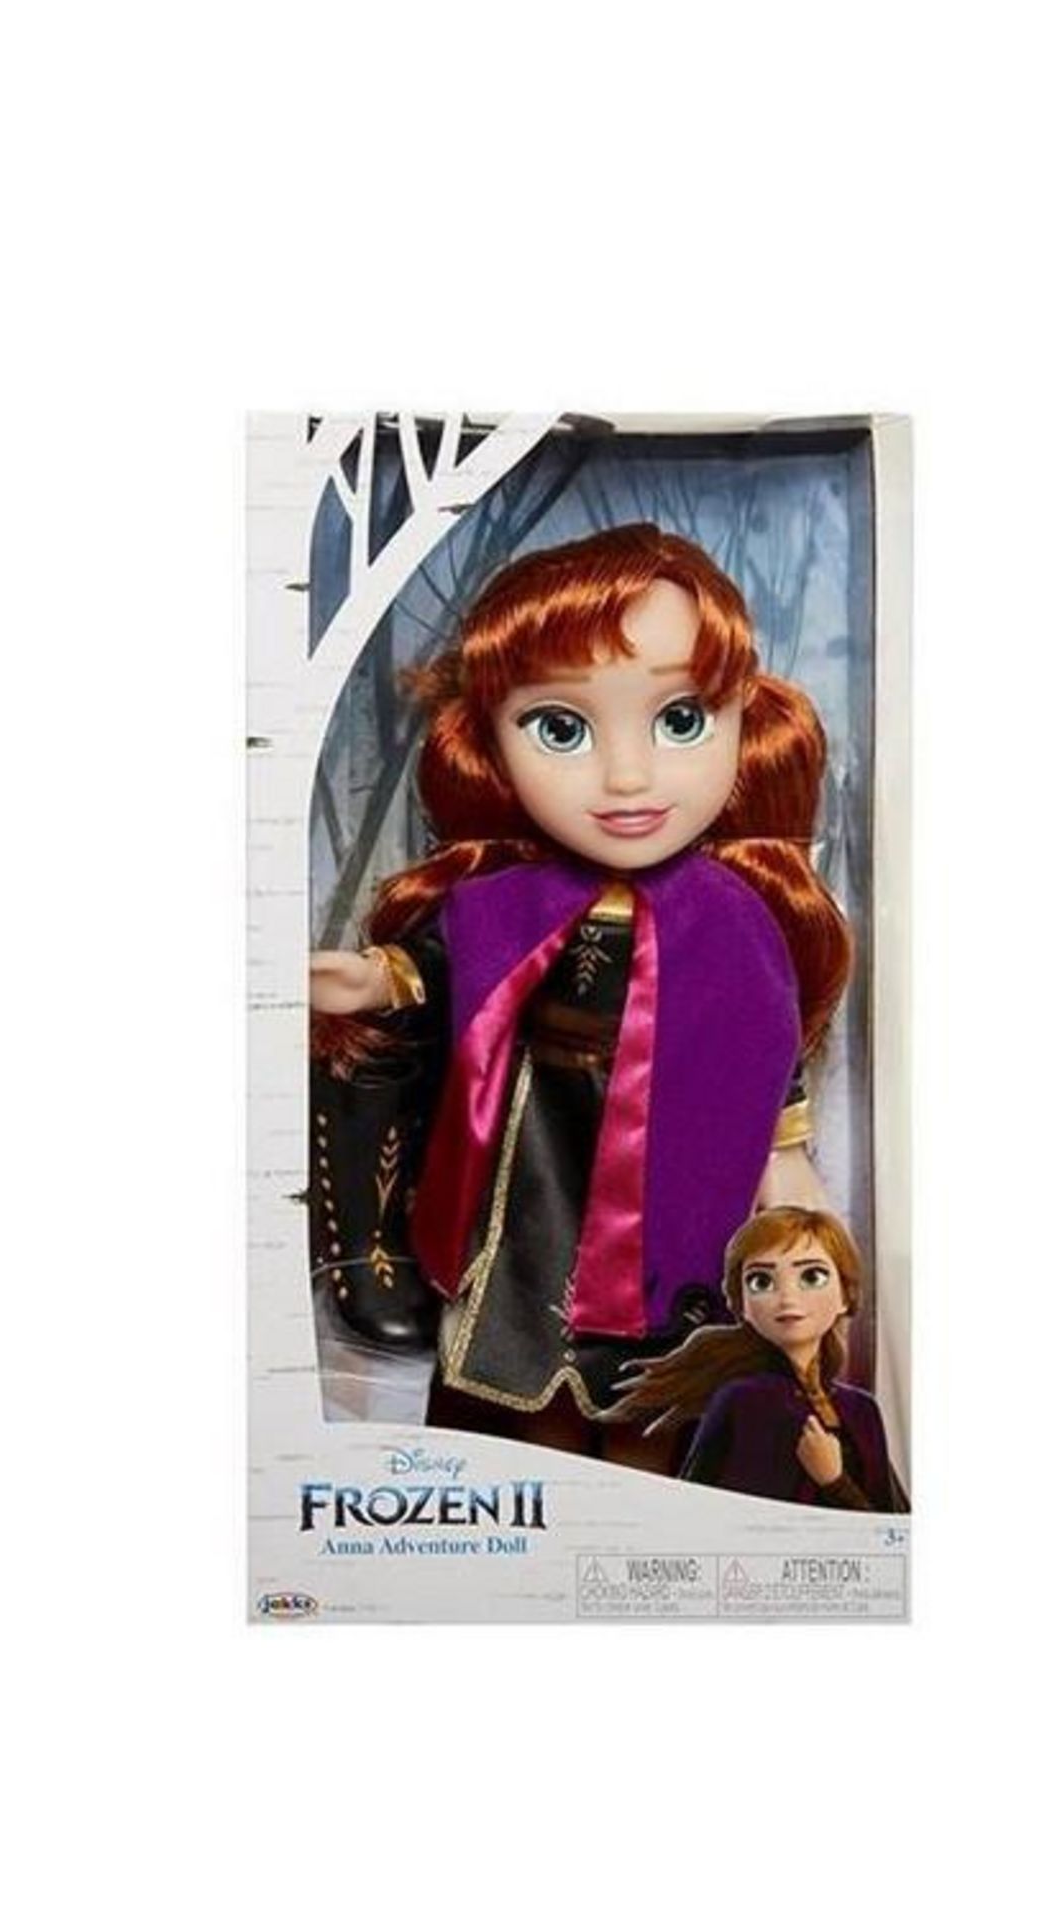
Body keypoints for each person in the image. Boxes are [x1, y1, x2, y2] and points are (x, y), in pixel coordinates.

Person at [309, 525, 851, 1466]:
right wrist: (373, 979)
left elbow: (762, 1043)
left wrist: (786, 1161)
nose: (628, 776)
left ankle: (652, 1497)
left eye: (682, 719)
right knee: (527, 1372)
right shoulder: (510, 900)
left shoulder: (731, 916)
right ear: (492, 742)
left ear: (743, 718)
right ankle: (539, 1483)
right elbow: (448, 967)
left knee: (659, 1383)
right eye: (561, 729)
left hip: (678, 1157)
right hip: (539, 1157)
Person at [607, 1207, 904, 1511]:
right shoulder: (747, 1402)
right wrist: (834, 1483)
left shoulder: (862, 1410)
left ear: (845, 1295)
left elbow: (891, 1528)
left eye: (812, 1276)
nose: (787, 1298)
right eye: (761, 1281)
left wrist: (834, 1481)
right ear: (743, 1306)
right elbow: (720, 1517)